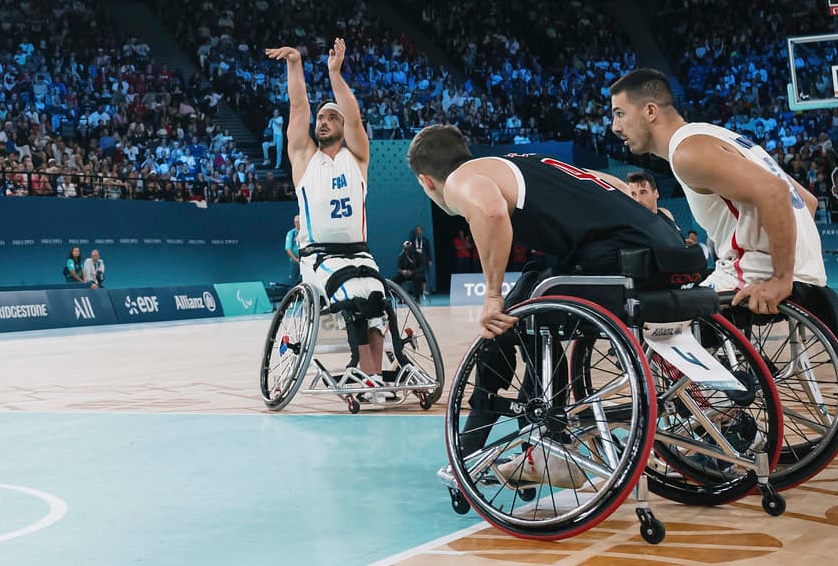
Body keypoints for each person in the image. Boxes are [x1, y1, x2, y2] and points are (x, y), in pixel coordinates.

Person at [408, 123, 692, 490]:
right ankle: (531, 447)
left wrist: (492, 296)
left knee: (505, 319)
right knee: (531, 292)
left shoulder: (463, 178)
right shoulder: (520, 163)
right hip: (662, 249)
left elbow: (492, 213)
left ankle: (520, 447)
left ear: (426, 181)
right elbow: (615, 184)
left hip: (617, 257)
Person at [608, 69, 831, 325]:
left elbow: (774, 192)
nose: (615, 127)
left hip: (761, 277)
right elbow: (807, 202)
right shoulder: (715, 135)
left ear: (650, 111)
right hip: (810, 278)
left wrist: (781, 278)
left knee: (652, 322)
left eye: (620, 114)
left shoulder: (687, 153)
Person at [266, 38, 393, 398]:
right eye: (320, 117)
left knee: (377, 299)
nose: (322, 121)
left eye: (329, 117)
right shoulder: (305, 158)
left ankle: (374, 375)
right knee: (354, 296)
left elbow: (353, 114)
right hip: (319, 255)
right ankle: (368, 376)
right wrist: (295, 63)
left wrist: (334, 75)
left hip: (360, 252)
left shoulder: (359, 157)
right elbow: (297, 108)